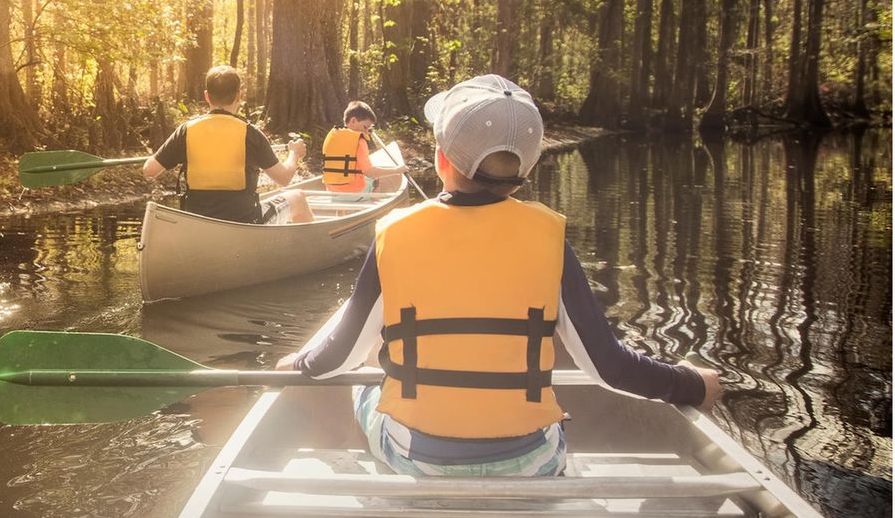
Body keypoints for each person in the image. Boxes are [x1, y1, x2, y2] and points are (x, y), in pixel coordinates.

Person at [277, 74, 721, 477]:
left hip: (417, 456)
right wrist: (689, 382)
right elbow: (610, 367)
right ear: (524, 171)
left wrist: (298, 365)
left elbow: (337, 358)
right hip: (532, 460)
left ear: (439, 159)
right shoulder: (550, 239)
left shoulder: (394, 235)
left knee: (367, 374)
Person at [143, 65, 313, 224]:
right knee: (298, 197)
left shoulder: (186, 131)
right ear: (239, 96)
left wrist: (171, 151)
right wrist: (294, 154)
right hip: (243, 222)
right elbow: (284, 178)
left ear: (207, 96)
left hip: (197, 223)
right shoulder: (251, 134)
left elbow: (149, 171)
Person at [321, 101, 408, 199]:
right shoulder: (359, 141)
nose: (367, 132)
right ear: (353, 121)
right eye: (365, 127)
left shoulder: (333, 136)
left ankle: (340, 214)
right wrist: (397, 170)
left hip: (332, 193)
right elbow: (370, 172)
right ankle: (375, 207)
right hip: (354, 194)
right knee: (375, 179)